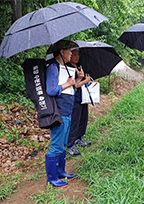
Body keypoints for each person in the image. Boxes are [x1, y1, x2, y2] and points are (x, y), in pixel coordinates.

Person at [44, 40, 83, 188]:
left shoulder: (64, 67)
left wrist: (76, 81)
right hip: (59, 113)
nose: (72, 54)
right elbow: (51, 90)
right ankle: (52, 178)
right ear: (61, 51)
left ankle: (61, 171)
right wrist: (67, 83)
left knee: (63, 144)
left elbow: (70, 88)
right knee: (56, 145)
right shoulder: (53, 68)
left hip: (67, 111)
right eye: (69, 51)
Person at [66, 48, 92, 156]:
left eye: (78, 54)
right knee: (74, 121)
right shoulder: (68, 68)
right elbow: (74, 85)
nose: (76, 57)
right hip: (74, 98)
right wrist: (84, 81)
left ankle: (79, 138)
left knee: (83, 119)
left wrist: (88, 79)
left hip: (83, 98)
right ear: (69, 55)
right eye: (74, 54)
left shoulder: (80, 66)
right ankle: (70, 144)